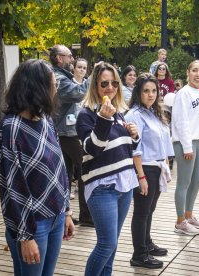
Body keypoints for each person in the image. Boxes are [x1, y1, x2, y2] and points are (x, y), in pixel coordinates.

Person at [0, 59, 75, 276]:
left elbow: (59, 170)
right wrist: (25, 236)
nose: (55, 90)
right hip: (32, 225)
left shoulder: (46, 119)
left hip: (56, 216)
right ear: (38, 87)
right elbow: (12, 187)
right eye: (53, 84)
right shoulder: (11, 127)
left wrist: (66, 211)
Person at [76, 61, 139, 276]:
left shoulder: (118, 113)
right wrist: (103, 118)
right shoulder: (86, 115)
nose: (110, 88)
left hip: (124, 186)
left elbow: (124, 150)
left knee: (112, 246)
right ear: (95, 86)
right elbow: (93, 148)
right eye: (104, 84)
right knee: (106, 244)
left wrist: (134, 136)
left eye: (114, 83)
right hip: (102, 187)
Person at [125, 73, 174, 269]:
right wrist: (141, 176)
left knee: (150, 210)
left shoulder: (154, 112)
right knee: (141, 212)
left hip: (156, 166)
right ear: (138, 92)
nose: (151, 94)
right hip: (144, 167)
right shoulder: (133, 115)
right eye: (146, 91)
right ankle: (139, 254)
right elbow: (134, 147)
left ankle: (147, 242)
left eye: (154, 90)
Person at [49, 45, 92, 227]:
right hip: (68, 134)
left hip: (65, 132)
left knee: (65, 175)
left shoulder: (61, 76)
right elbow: (78, 93)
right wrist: (93, 77)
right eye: (69, 56)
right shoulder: (58, 77)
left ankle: (64, 213)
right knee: (86, 170)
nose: (72, 60)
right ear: (59, 58)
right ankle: (86, 217)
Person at [172, 60, 199, 235]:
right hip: (186, 142)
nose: (198, 74)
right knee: (184, 182)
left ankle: (189, 215)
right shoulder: (183, 93)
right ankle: (180, 222)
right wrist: (187, 146)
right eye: (194, 70)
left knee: (198, 180)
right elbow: (181, 121)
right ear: (188, 72)